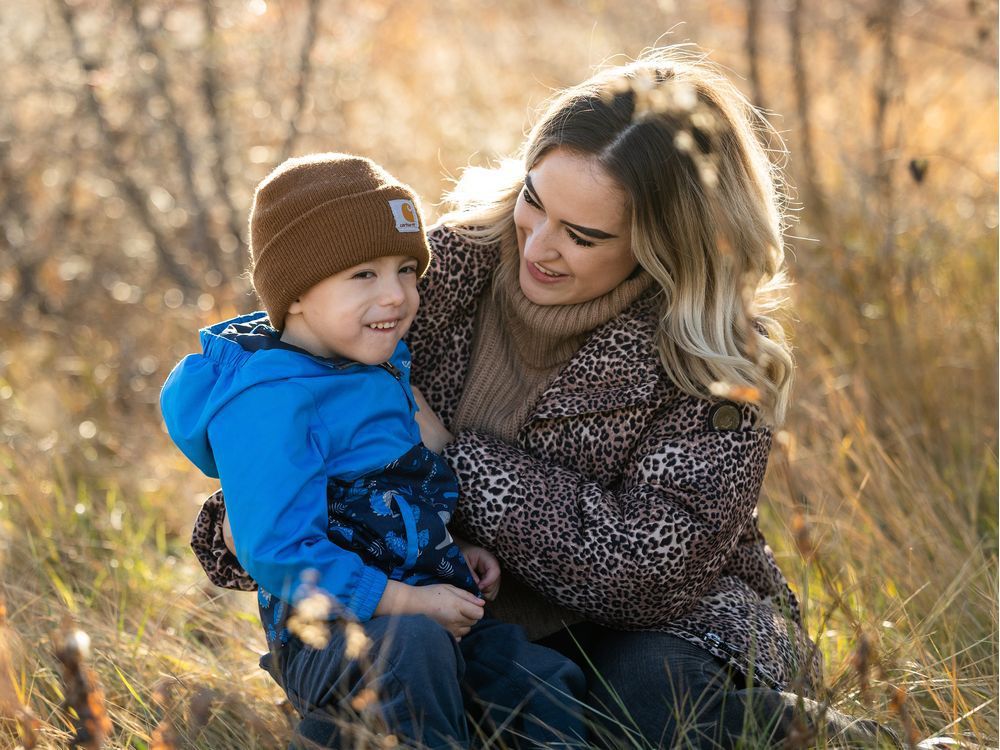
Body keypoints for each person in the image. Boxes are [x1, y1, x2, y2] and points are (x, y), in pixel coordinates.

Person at [191, 51, 898, 748]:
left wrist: (458, 461)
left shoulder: (711, 360)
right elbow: (288, 393)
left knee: (643, 708)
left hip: (655, 632)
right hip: (459, 613)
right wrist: (255, 516)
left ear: (664, 246)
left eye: (583, 236)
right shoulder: (428, 280)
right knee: (423, 695)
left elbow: (646, 576)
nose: (538, 246)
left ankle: (848, 741)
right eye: (535, 200)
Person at [160, 153, 586, 749]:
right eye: (364, 275)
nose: (397, 296)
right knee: (409, 653)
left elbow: (382, 503)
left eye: (406, 270)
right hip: (334, 633)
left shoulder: (369, 365)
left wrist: (449, 550)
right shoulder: (269, 400)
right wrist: (411, 601)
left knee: (536, 683)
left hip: (426, 604)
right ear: (298, 293)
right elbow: (278, 550)